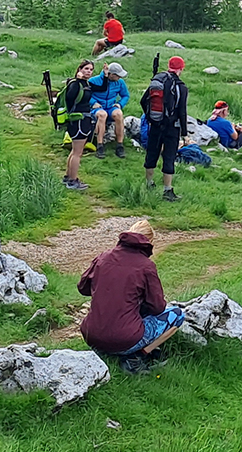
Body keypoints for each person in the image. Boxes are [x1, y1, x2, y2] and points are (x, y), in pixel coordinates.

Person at [78, 219, 185, 375]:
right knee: (178, 315)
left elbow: (83, 288)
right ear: (149, 241)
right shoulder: (146, 266)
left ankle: (104, 351)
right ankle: (136, 357)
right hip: (124, 339)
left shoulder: (103, 257)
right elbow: (158, 307)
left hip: (91, 335)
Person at [142, 55, 189, 202]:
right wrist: (185, 133)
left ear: (169, 65)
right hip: (172, 127)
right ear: (181, 68)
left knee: (152, 153)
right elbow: (182, 112)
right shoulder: (181, 87)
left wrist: (150, 118)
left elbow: (143, 101)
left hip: (155, 124)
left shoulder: (157, 80)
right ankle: (167, 190)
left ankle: (149, 183)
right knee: (169, 157)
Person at [59, 59, 96, 189]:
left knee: (75, 151)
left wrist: (106, 75)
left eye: (91, 70)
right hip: (79, 120)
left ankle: (68, 176)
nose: (89, 72)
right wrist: (78, 80)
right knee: (77, 153)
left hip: (80, 120)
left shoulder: (85, 83)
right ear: (79, 70)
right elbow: (70, 97)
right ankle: (73, 181)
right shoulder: (75, 84)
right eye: (86, 69)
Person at [89, 61, 130, 159]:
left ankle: (119, 144)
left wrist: (120, 104)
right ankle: (100, 145)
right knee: (102, 115)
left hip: (111, 107)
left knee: (119, 114)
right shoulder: (94, 81)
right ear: (111, 75)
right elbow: (86, 94)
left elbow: (125, 95)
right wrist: (93, 103)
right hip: (98, 108)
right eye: (118, 76)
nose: (119, 78)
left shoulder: (120, 83)